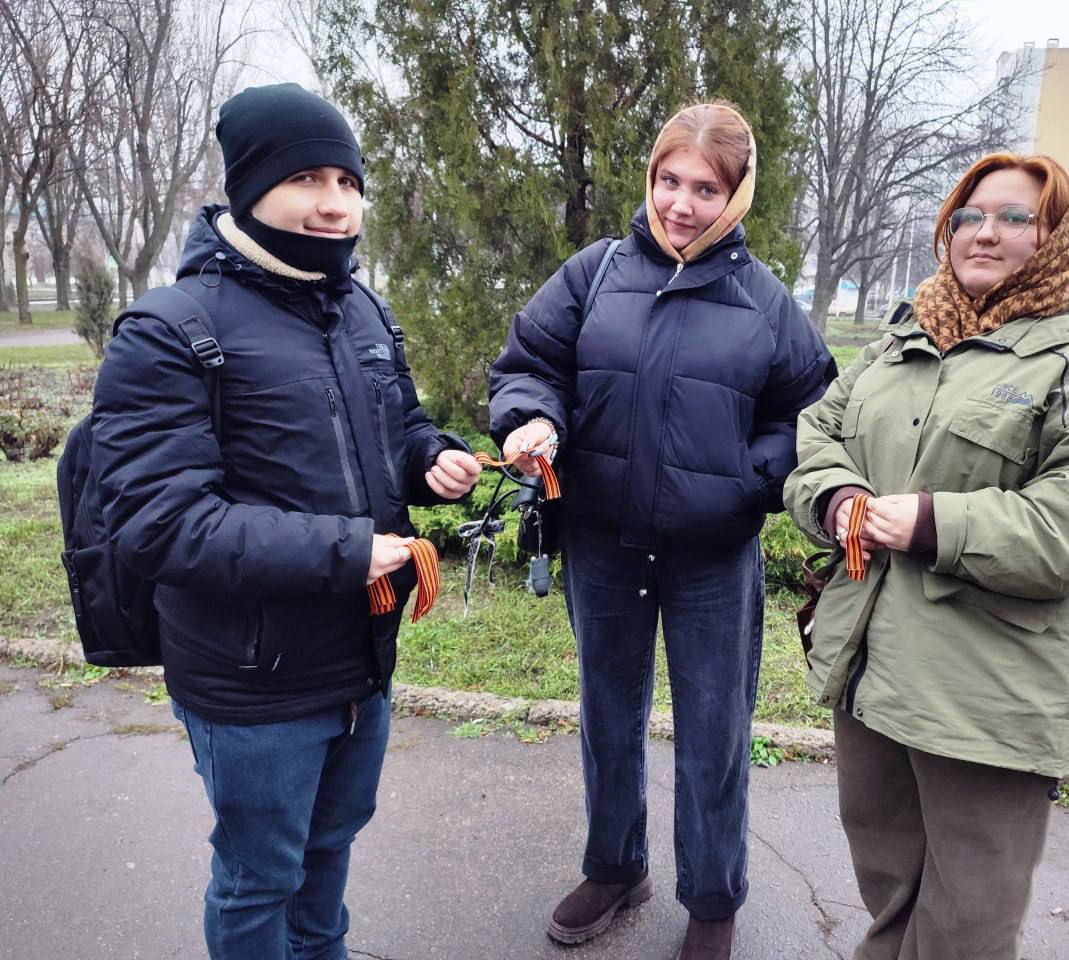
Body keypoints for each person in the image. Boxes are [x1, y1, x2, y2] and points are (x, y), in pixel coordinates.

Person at [91, 83, 481, 959]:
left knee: (329, 850)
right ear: (249, 185)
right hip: (252, 679)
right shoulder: (170, 330)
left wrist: (430, 457)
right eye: (308, 177)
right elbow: (161, 523)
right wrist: (349, 550)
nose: (336, 204)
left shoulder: (361, 310)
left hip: (361, 658)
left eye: (349, 180)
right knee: (258, 877)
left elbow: (397, 426)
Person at [782, 152, 1069, 960]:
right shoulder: (899, 344)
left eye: (1012, 218)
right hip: (874, 671)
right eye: (969, 216)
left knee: (967, 924)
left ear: (1056, 238)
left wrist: (933, 524)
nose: (983, 233)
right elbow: (816, 434)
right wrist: (838, 500)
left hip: (987, 697)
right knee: (889, 888)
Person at [489, 102, 834, 959]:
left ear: (737, 194)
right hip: (602, 544)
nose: (680, 204)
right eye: (668, 181)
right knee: (608, 717)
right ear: (650, 177)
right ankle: (616, 866)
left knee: (715, 729)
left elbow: (813, 415)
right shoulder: (595, 274)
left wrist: (742, 485)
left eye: (705, 188)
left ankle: (712, 900)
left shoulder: (763, 302)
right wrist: (532, 421)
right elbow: (530, 365)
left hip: (713, 558)